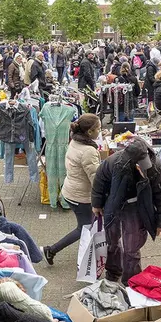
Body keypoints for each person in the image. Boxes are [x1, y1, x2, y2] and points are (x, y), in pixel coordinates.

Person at [91, 137, 161, 284]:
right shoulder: (112, 162)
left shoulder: (154, 167)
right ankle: (113, 273)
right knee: (112, 242)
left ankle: (131, 281)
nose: (143, 170)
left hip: (136, 206)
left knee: (132, 247)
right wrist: (96, 204)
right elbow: (99, 183)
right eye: (139, 167)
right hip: (113, 205)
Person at [41, 114, 101, 265]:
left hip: (71, 191)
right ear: (90, 132)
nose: (100, 131)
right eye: (99, 128)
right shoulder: (88, 150)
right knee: (84, 227)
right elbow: (96, 179)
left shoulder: (75, 141)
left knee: (88, 225)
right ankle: (52, 249)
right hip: (80, 196)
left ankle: (90, 247)